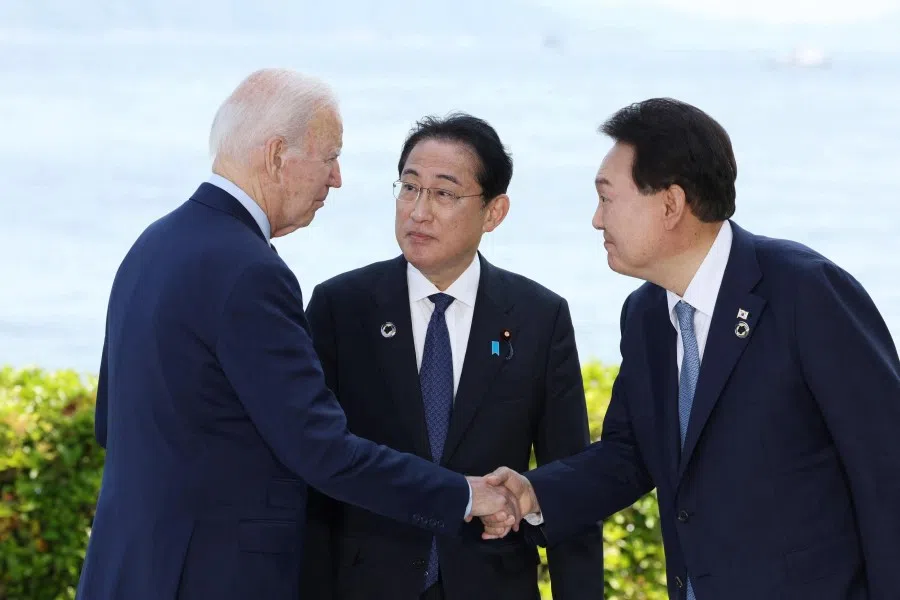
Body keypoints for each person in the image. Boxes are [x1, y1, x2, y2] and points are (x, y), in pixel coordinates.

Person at [75, 68, 520, 600]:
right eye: (330, 156)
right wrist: (464, 495)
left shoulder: (154, 244)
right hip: (210, 578)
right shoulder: (250, 271)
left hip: (128, 569)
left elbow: (111, 422)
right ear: (277, 155)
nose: (336, 179)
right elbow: (322, 451)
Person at [481, 98, 900, 599]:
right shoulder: (644, 317)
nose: (596, 219)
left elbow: (885, 468)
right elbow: (630, 453)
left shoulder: (804, 291)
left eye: (607, 197)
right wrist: (535, 492)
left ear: (671, 204)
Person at [300, 113, 604, 600]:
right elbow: (311, 468)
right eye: (409, 188)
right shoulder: (342, 307)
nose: (418, 212)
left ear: (494, 211)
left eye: (444, 194)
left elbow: (568, 483)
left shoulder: (538, 317)